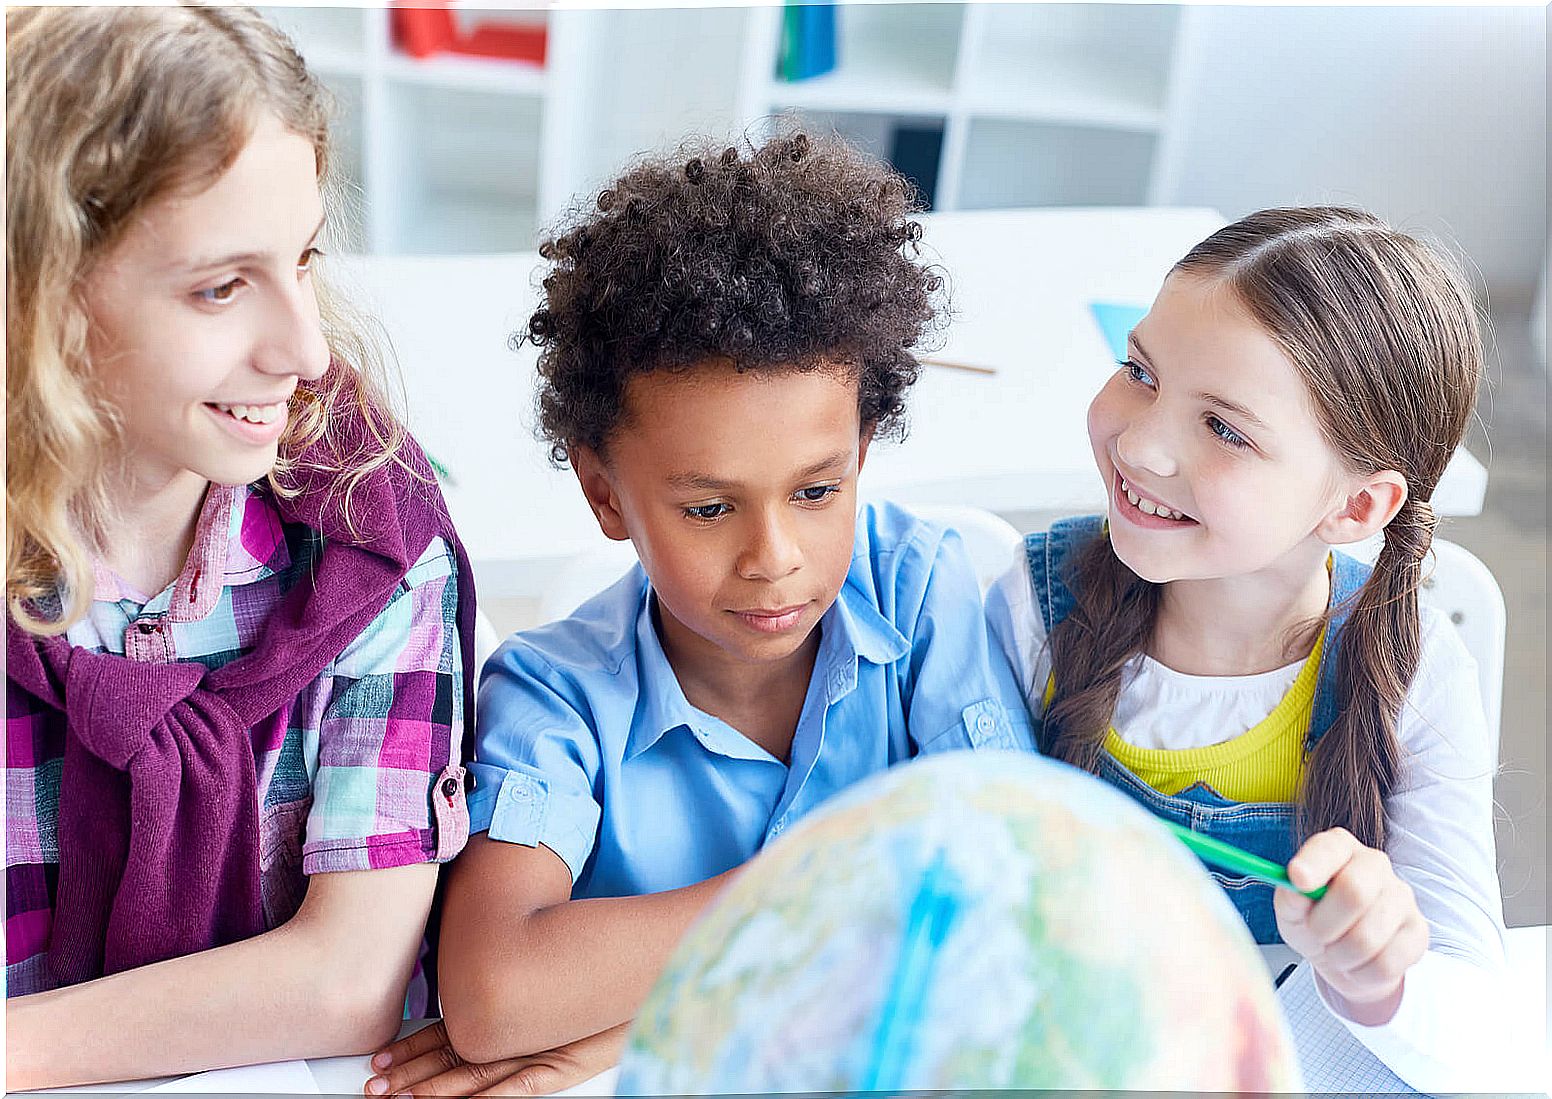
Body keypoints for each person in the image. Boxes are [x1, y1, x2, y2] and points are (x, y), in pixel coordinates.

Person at [364, 131, 1035, 1097]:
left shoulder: (926, 592)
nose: (775, 557)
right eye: (710, 509)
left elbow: (1013, 903)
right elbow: (495, 998)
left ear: (863, 450)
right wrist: (862, 888)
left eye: (817, 490)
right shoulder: (555, 690)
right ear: (604, 496)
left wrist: (657, 1011)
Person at [5, 6, 476, 1089]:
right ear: (34, 294)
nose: (305, 350)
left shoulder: (372, 539)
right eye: (222, 286)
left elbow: (351, 975)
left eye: (303, 260)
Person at [986, 207, 1508, 1091]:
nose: (1141, 445)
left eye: (1225, 429)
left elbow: (1468, 1012)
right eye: (1140, 372)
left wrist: (1374, 974)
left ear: (1354, 509)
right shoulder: (1032, 609)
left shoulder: (1415, 670)